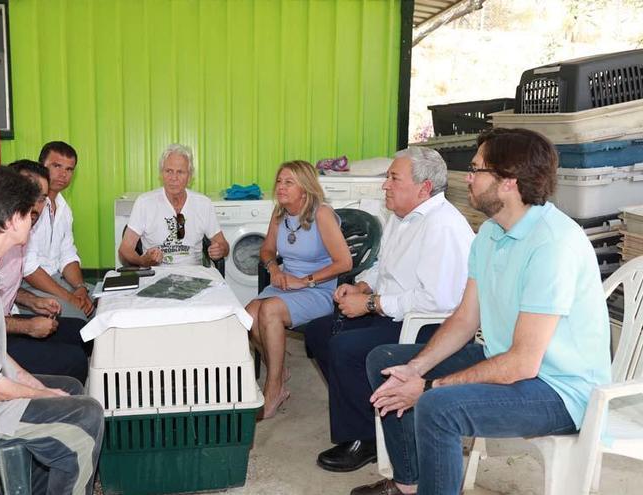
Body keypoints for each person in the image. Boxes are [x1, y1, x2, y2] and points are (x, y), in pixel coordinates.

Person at [351, 128, 612, 495]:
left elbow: (523, 363)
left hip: (560, 390)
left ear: (508, 181)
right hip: (510, 362)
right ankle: (409, 483)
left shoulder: (553, 244)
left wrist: (426, 387)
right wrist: (414, 369)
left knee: (438, 407)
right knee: (387, 361)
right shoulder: (490, 233)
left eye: (476, 171)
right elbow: (464, 319)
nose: (467, 179)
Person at [0, 166, 104, 495]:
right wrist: (41, 395)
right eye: (29, 213)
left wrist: (36, 385)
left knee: (68, 387)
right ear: (12, 220)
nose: (32, 220)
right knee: (85, 417)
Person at [304, 147, 474, 472]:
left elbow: (437, 301)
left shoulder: (443, 226)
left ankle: (364, 437)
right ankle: (370, 414)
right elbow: (384, 267)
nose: (386, 185)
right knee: (318, 332)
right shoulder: (401, 216)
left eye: (394, 178)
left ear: (424, 188)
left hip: (428, 327)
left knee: (345, 348)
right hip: (394, 312)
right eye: (387, 177)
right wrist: (363, 286)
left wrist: (371, 304)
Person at [246, 160, 352, 419]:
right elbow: (267, 249)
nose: (280, 187)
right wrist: (274, 270)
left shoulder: (322, 214)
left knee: (269, 311)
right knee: (247, 315)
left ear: (305, 188)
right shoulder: (280, 213)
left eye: (288, 182)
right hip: (285, 284)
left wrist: (305, 281)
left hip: (318, 290)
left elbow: (344, 262)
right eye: (279, 181)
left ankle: (274, 391)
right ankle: (278, 369)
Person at [0, 159, 90, 383]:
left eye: (40, 198)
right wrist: (27, 326)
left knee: (85, 333)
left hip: (13, 316)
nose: (35, 205)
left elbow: (2, 289)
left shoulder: (59, 210)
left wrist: (79, 289)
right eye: (57, 166)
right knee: (76, 355)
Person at [118, 144, 229, 267]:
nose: (173, 178)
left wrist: (221, 250)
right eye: (169, 171)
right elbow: (124, 250)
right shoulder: (144, 203)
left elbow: (224, 245)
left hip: (194, 277)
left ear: (190, 177)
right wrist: (143, 261)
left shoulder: (203, 204)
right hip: (155, 275)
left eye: (180, 172)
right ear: (161, 174)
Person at [22, 141, 94, 321]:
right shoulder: (29, 209)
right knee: (79, 316)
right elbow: (28, 268)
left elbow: (67, 254)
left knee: (102, 302)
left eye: (69, 169)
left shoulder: (64, 208)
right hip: (27, 285)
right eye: (56, 166)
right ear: (41, 166)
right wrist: (70, 297)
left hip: (56, 279)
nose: (63, 174)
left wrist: (80, 288)